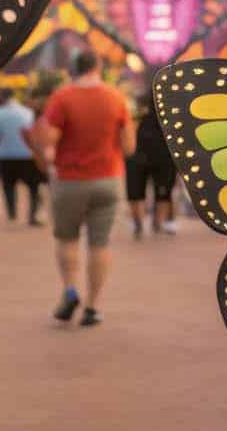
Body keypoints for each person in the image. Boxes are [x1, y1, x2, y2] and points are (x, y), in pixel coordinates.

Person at [32, 52, 131, 326]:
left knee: (67, 239)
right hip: (108, 180)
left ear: (73, 69)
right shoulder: (116, 98)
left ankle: (70, 290)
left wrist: (46, 147)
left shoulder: (62, 98)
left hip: (70, 180)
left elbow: (49, 143)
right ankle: (92, 306)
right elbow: (129, 146)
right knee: (100, 245)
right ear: (98, 67)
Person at [124, 85, 177, 238]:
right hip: (162, 155)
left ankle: (140, 225)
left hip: (139, 155)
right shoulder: (170, 111)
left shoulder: (135, 111)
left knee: (136, 193)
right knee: (162, 192)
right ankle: (155, 225)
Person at [0, 87, 43, 224]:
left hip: (5, 155)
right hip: (27, 155)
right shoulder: (27, 112)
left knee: (8, 185)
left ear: (0, 98)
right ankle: (32, 214)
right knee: (33, 186)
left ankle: (12, 212)